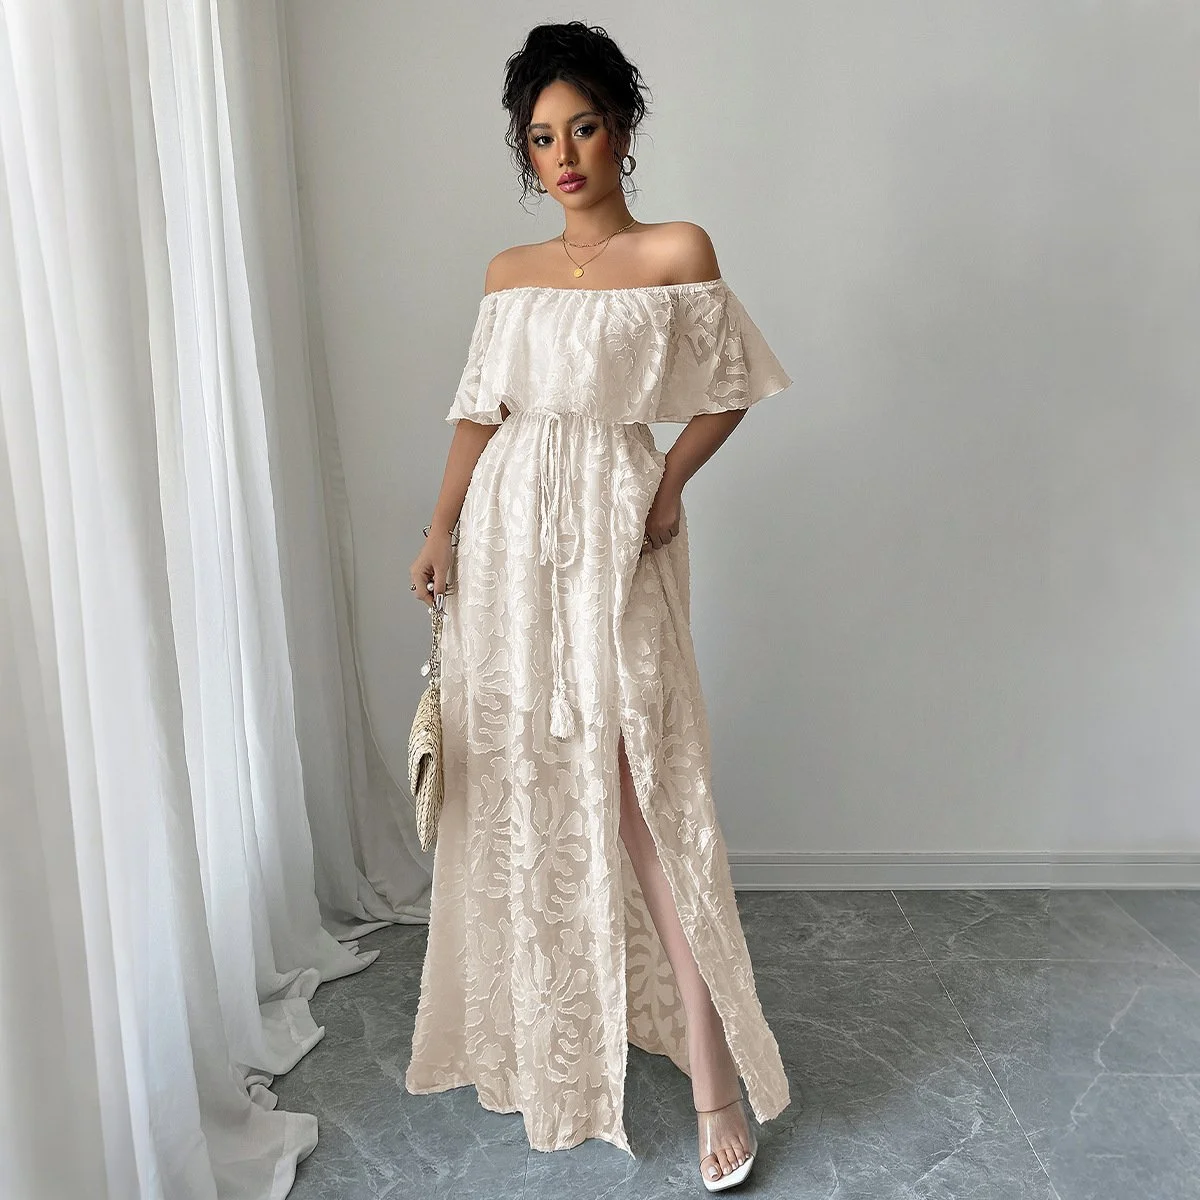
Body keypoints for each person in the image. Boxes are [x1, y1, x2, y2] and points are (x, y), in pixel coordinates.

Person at [404, 21, 792, 1192]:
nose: (564, 155)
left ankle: (714, 1074)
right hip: (507, 536)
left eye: (582, 128)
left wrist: (667, 485)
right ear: (526, 154)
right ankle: (552, 1042)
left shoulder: (676, 250)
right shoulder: (508, 273)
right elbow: (480, 411)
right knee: (527, 777)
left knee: (643, 788)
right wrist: (440, 528)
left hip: (616, 527)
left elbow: (731, 387)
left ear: (622, 130)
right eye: (541, 138)